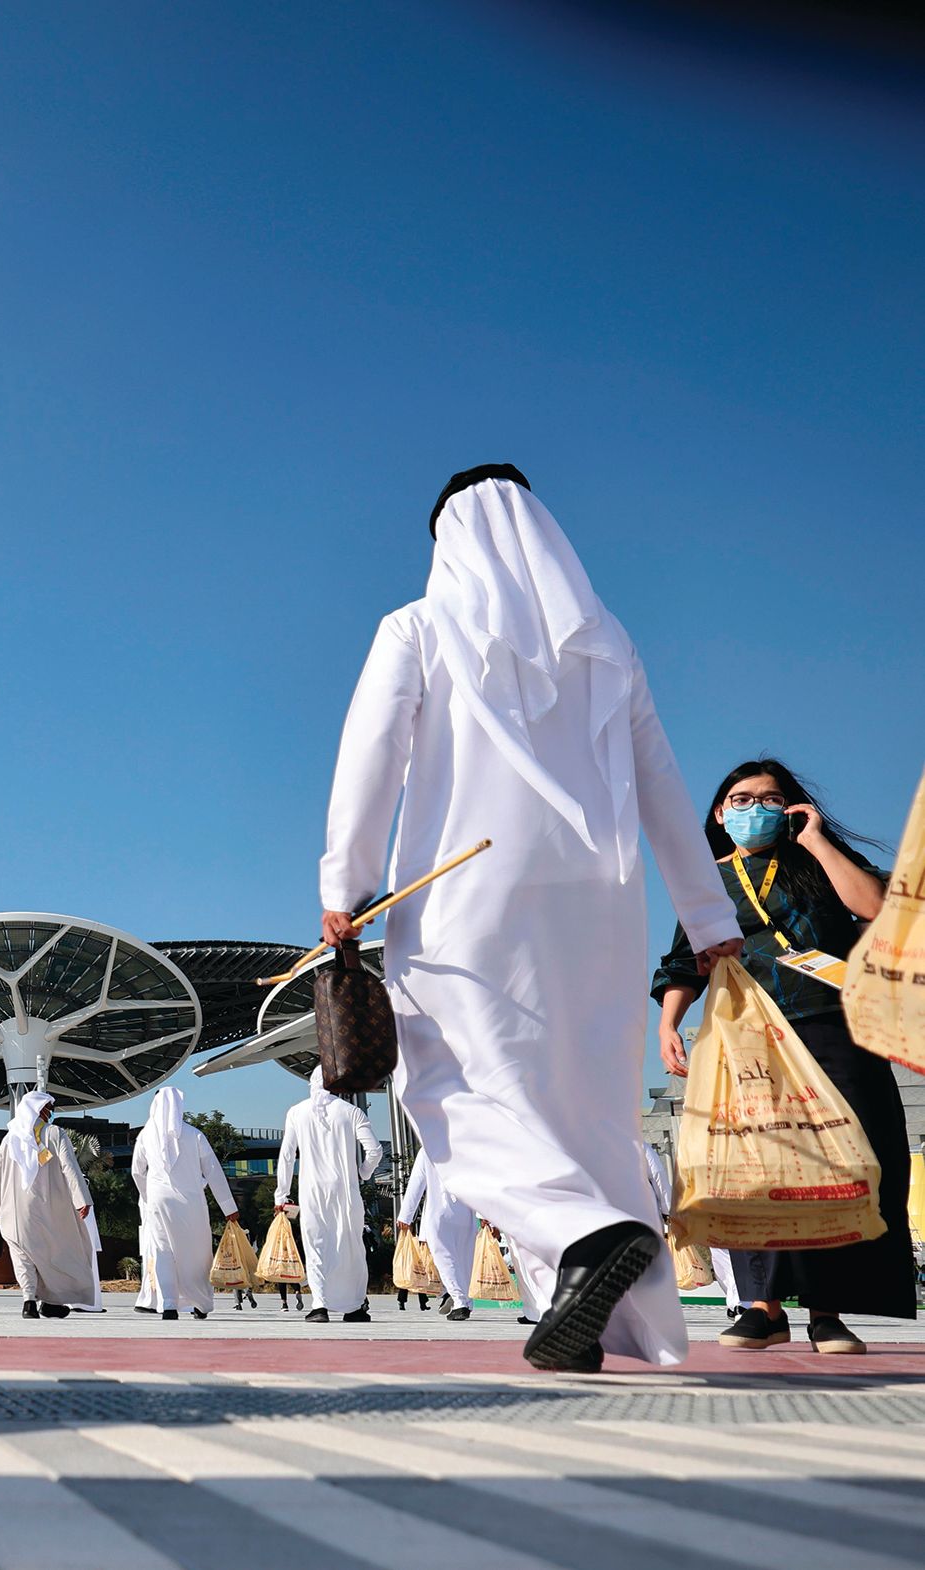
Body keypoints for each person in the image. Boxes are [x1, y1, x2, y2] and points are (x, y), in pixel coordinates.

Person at [320, 465, 742, 1372]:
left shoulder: (420, 626)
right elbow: (666, 786)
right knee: (586, 1109)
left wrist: (344, 883)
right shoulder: (608, 645)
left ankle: (584, 1240)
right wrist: (707, 913)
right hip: (601, 901)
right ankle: (603, 1321)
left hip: (462, 895)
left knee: (450, 1085)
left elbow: (371, 754)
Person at [654, 759, 910, 1355]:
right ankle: (763, 1309)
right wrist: (669, 1022)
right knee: (755, 1164)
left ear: (792, 808)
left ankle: (828, 1312)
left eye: (769, 799)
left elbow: (875, 907)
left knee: (841, 1163)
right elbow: (683, 959)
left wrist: (816, 839)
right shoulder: (705, 880)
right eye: (741, 800)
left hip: (830, 1023)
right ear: (720, 814)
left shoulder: (814, 863)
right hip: (743, 1032)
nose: (754, 809)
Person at [274, 1080, 381, 1322]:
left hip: (311, 1190)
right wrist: (362, 1173)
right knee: (351, 1245)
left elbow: (287, 1155)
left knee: (316, 1246)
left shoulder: (296, 1112)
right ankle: (353, 1307)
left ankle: (320, 1305)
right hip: (346, 1190)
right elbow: (375, 1150)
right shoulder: (351, 1111)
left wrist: (281, 1194)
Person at [0, 1091, 99, 1320]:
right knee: (53, 1255)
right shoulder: (54, 1133)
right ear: (39, 1110)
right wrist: (82, 1200)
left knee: (23, 1257)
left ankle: (31, 1302)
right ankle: (50, 1301)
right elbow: (70, 1167)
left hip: (12, 1212)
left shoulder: (9, 1139)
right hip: (48, 1210)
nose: (51, 1113)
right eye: (48, 1108)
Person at [131, 1089, 240, 1321]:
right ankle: (199, 1303)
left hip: (158, 1201)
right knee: (196, 1252)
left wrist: (148, 1196)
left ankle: (169, 1304)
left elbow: (136, 1172)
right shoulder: (194, 1135)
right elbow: (213, 1171)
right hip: (189, 1202)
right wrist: (229, 1207)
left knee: (163, 1252)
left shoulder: (145, 1135)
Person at [396, 1148, 477, 1320]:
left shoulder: (428, 1148)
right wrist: (486, 1216)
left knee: (445, 1258)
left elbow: (417, 1183)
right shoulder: (466, 1147)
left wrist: (405, 1216)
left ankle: (459, 1301)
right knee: (465, 1258)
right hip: (466, 1211)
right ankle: (466, 1301)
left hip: (438, 1212)